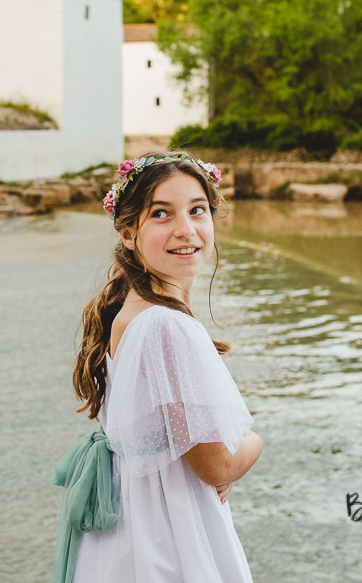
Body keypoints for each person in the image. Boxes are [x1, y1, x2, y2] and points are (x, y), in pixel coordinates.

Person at [69, 151, 264, 582]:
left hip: (131, 532)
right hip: (171, 539)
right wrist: (255, 442)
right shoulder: (166, 327)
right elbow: (215, 465)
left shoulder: (130, 307)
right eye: (161, 213)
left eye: (197, 210)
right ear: (128, 232)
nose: (185, 229)